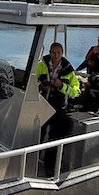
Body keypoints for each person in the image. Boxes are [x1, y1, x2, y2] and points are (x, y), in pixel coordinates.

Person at [36, 42, 80, 172]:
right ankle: (32, 162)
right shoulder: (41, 65)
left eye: (58, 53)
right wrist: (41, 85)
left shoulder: (68, 70)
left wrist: (61, 86)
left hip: (59, 106)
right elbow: (32, 79)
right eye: (53, 52)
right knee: (38, 134)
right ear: (50, 52)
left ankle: (49, 168)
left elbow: (76, 91)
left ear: (62, 53)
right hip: (43, 104)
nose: (56, 55)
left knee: (54, 138)